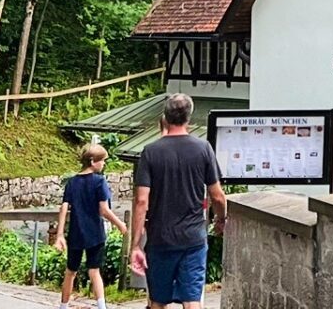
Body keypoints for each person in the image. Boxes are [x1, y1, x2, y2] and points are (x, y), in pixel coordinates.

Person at [130, 93, 225, 309]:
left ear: (165, 116)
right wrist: (220, 220)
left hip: (160, 238)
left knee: (158, 301)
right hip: (192, 238)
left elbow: (141, 202)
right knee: (192, 299)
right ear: (189, 116)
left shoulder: (151, 152)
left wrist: (136, 244)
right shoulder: (203, 149)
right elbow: (217, 195)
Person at [54, 142, 128, 309]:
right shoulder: (99, 181)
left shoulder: (72, 182)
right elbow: (104, 209)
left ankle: (63, 306)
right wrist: (120, 224)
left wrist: (59, 235)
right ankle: (101, 306)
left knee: (70, 271)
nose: (104, 164)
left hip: (76, 233)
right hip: (95, 233)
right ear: (93, 161)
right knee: (94, 271)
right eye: (103, 161)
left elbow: (64, 208)